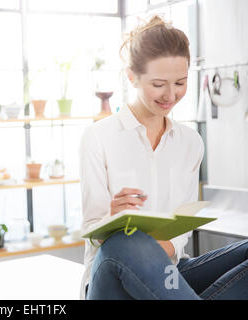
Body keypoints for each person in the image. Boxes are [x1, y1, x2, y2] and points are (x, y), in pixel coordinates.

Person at [79, 15, 248, 300]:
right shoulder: (98, 137)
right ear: (131, 76)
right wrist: (111, 217)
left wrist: (165, 248)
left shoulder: (190, 142)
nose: (171, 95)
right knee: (128, 242)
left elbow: (183, 219)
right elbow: (93, 233)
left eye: (180, 83)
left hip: (169, 276)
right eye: (158, 84)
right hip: (112, 279)